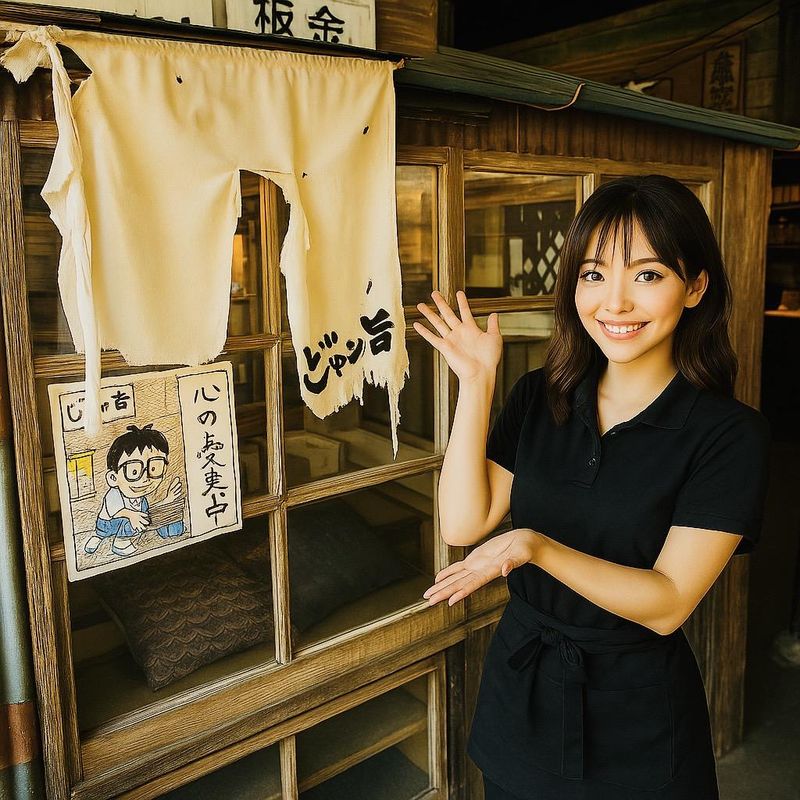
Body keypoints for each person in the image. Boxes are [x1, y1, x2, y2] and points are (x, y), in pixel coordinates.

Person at [413, 175, 771, 800]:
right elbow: (464, 524)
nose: (615, 302)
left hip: (636, 717)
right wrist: (476, 383)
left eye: (648, 275)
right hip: (521, 694)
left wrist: (535, 546)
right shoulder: (539, 397)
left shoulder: (728, 435)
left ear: (696, 287)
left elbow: (668, 603)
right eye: (593, 274)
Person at [85, 423, 184, 558]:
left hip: (126, 522)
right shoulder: (114, 494)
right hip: (108, 525)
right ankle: (118, 542)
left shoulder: (140, 499)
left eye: (154, 468)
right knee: (132, 520)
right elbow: (117, 511)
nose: (145, 478)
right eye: (134, 471)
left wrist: (168, 500)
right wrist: (132, 515)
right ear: (113, 478)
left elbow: (150, 511)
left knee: (145, 516)